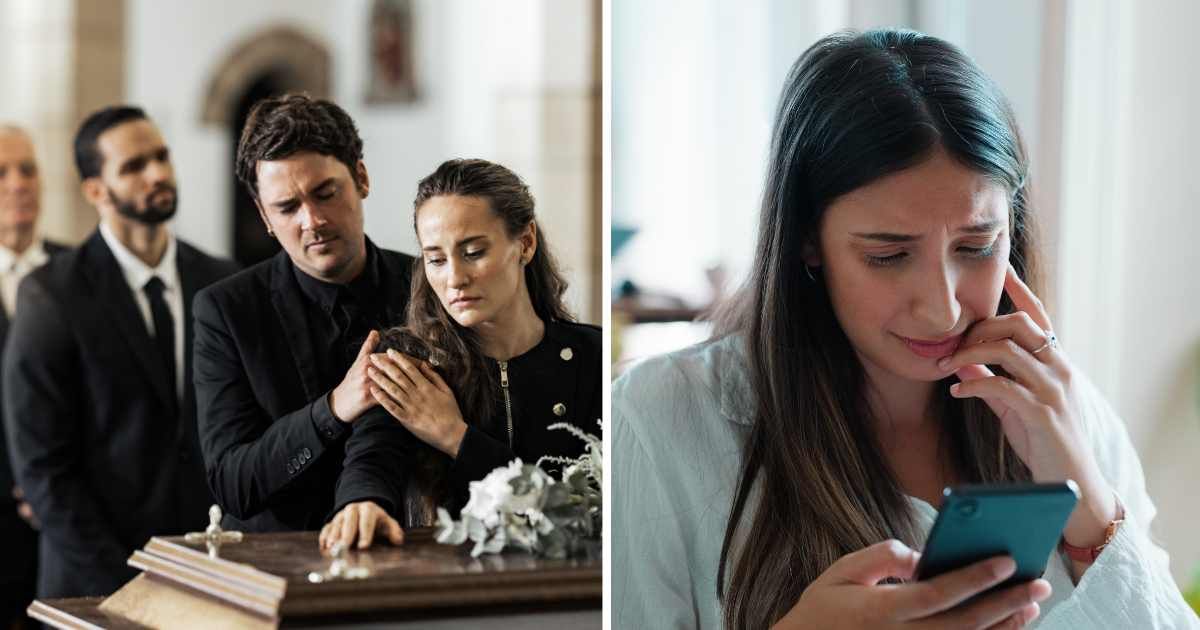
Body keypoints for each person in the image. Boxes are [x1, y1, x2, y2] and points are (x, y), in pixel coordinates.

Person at [612, 29, 1200, 629]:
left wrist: (1092, 509)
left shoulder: (1067, 413)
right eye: (888, 256)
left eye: (977, 246)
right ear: (808, 241)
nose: (942, 310)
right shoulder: (663, 419)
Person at [3, 106, 238, 598]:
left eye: (161, 157)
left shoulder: (220, 282)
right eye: (133, 167)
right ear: (95, 191)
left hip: (210, 572)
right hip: (94, 586)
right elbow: (45, 471)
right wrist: (124, 584)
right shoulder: (51, 294)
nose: (157, 174)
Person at [318, 159, 601, 550]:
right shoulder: (406, 357)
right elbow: (370, 458)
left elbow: (584, 514)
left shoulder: (592, 357)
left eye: (473, 252)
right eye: (436, 259)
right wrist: (360, 502)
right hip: (443, 590)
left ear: (526, 243)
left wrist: (455, 436)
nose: (454, 278)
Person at [194, 94, 415, 533]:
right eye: (287, 207)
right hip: (278, 570)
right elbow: (233, 483)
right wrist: (334, 409)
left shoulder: (425, 285)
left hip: (410, 551)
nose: (311, 220)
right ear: (263, 215)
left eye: (325, 193)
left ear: (362, 178)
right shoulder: (225, 311)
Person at [0, 125, 70, 626]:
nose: (18, 183)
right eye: (1, 172)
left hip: (73, 523)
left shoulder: (81, 272)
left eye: (28, 169)